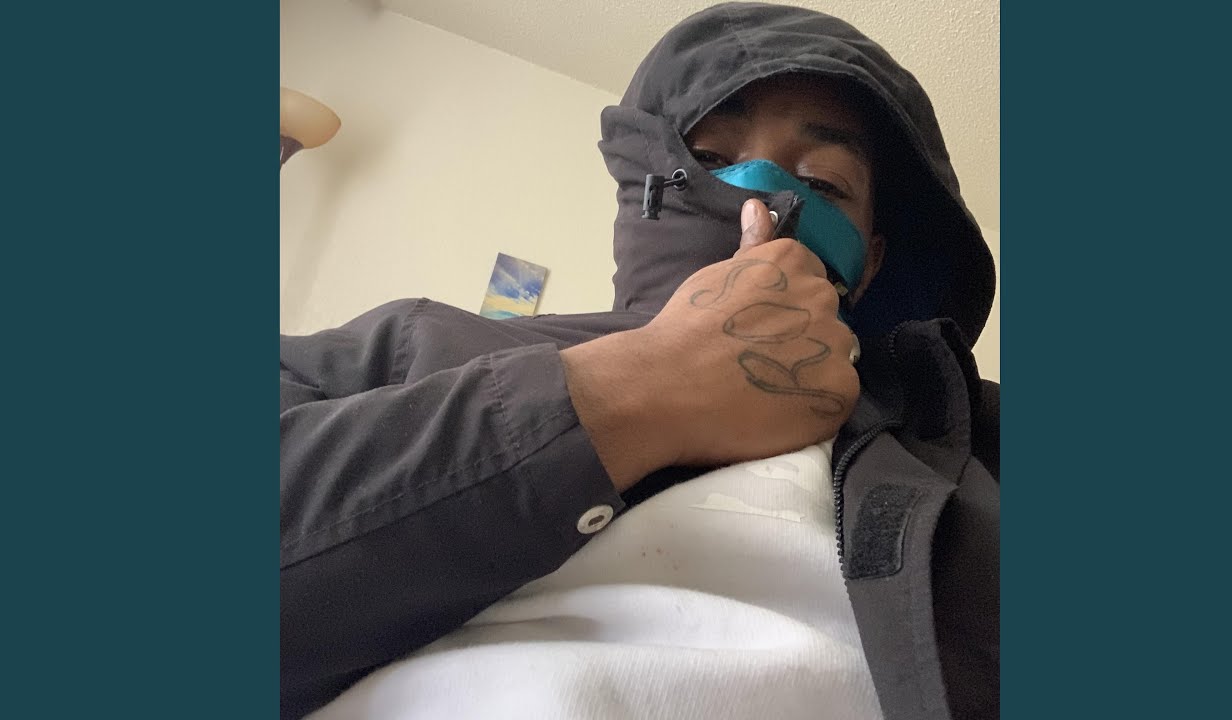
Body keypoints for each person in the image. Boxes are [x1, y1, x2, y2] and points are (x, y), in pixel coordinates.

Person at [280, 3, 998, 719]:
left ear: (872, 261)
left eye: (828, 183)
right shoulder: (414, 347)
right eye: (709, 159)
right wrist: (636, 390)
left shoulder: (979, 439)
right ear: (642, 186)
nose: (763, 193)